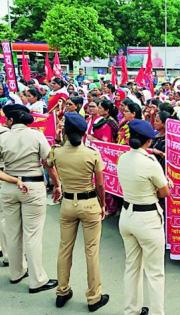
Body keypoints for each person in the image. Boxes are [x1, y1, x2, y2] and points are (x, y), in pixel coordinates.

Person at [47, 112, 109, 311]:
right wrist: (103, 204)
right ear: (84, 133)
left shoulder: (56, 151)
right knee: (92, 252)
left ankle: (62, 291)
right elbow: (100, 185)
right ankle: (93, 297)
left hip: (67, 203)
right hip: (89, 203)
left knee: (64, 248)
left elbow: (47, 164)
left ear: (65, 131)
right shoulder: (92, 154)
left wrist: (57, 185)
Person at [0, 104, 60, 293]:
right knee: (32, 234)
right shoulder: (36, 135)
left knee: (12, 231)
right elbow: (49, 162)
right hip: (32, 186)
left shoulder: (3, 137)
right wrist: (57, 184)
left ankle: (16, 272)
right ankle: (37, 280)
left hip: (9, 185)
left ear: (11, 120)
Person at [117, 119, 169, 315]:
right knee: (155, 272)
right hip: (147, 219)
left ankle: (132, 310)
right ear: (149, 142)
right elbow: (164, 192)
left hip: (127, 215)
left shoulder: (123, 158)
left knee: (132, 267)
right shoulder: (150, 163)